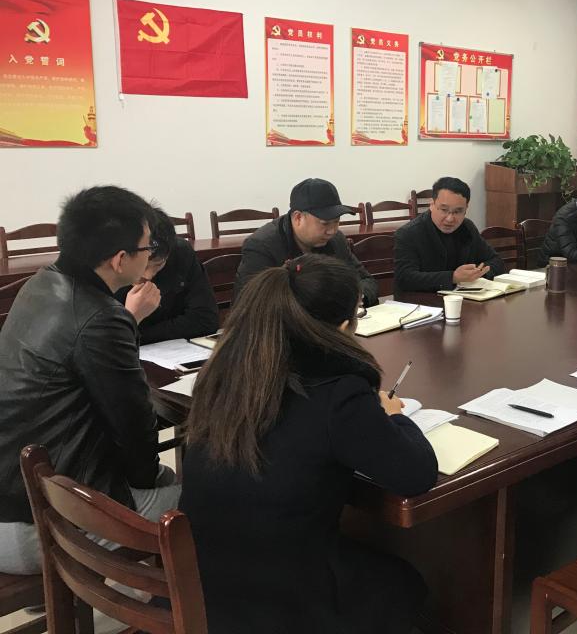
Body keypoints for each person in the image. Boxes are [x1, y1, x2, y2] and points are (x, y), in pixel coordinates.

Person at [181, 255, 438, 633]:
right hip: (278, 603)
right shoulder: (339, 391)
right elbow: (416, 473)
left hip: (200, 582)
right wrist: (393, 416)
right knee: (406, 583)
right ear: (343, 327)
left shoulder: (225, 371)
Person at [0, 186, 180, 574]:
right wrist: (149, 486)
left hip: (13, 494)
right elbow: (135, 428)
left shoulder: (40, 283)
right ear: (120, 259)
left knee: (167, 478)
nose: (150, 255)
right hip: (35, 521)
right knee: (203, 500)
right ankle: (165, 600)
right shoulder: (101, 317)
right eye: (147, 247)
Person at [235, 178, 378, 306]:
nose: (332, 231)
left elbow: (366, 281)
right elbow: (252, 305)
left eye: (336, 221)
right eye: (325, 223)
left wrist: (358, 297)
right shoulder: (262, 247)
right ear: (298, 218)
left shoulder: (336, 240)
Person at [115, 207, 219, 344]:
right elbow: (105, 340)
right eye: (143, 266)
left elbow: (206, 320)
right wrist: (131, 318)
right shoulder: (109, 272)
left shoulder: (180, 253)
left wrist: (136, 333)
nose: (148, 276)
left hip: (172, 350)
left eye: (158, 264)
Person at [393, 176, 506, 295]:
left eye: (458, 211)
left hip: (465, 300)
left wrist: (477, 273)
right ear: (432, 204)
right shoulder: (408, 233)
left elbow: (496, 261)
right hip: (421, 302)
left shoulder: (467, 227)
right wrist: (452, 277)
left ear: (466, 209)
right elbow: (405, 278)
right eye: (444, 210)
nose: (450, 218)